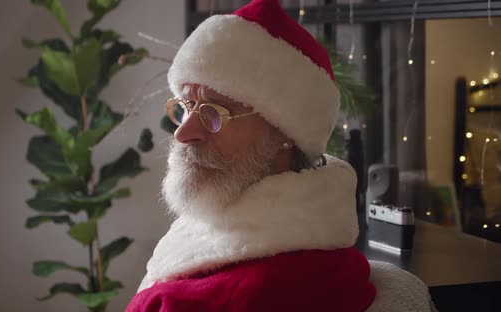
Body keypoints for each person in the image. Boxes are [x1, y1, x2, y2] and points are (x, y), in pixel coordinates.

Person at [126, 0, 377, 310]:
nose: (182, 133)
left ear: (285, 133)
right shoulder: (323, 248)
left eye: (214, 112)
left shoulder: (242, 295)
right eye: (186, 107)